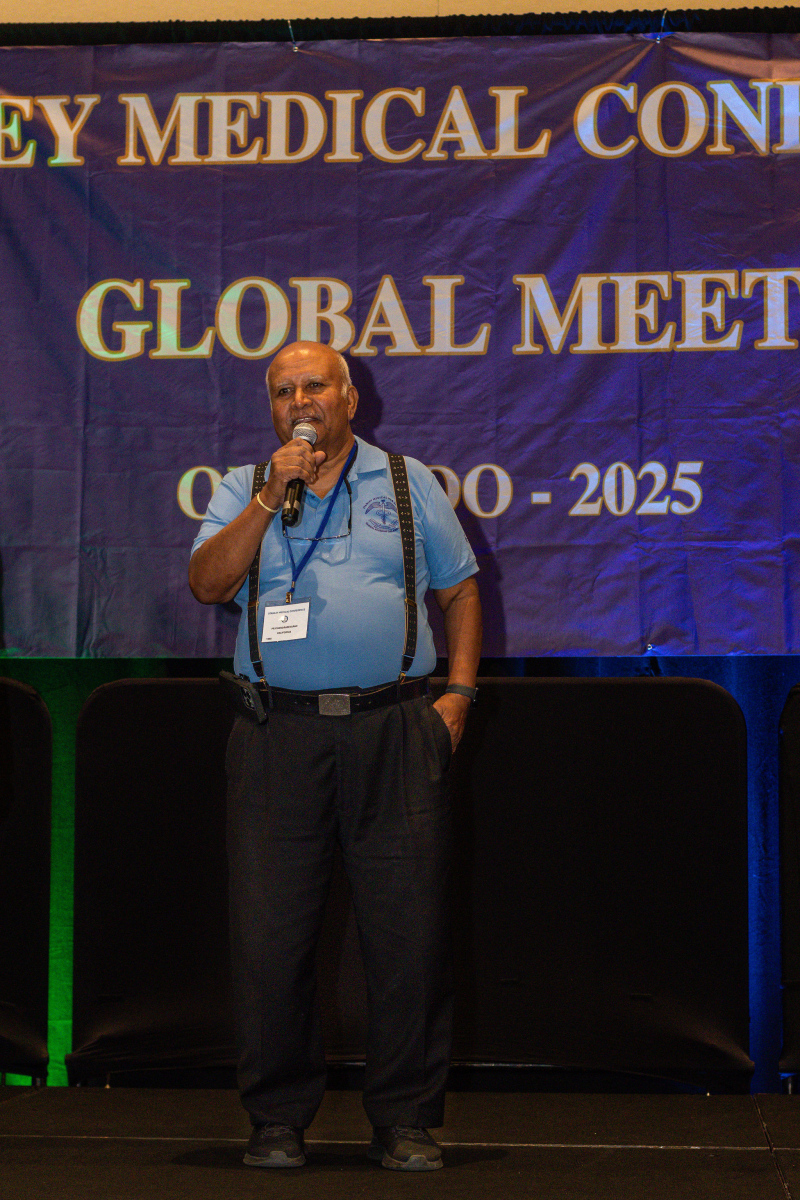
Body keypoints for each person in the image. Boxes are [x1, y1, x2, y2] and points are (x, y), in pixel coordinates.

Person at [189, 340, 482, 1172]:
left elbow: (461, 589)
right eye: (283, 390)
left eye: (314, 385)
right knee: (270, 936)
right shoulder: (244, 487)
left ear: (350, 398)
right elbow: (208, 584)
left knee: (407, 934)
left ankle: (405, 1119)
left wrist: (459, 696)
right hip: (276, 736)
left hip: (393, 729)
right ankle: (277, 1119)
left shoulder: (407, 483)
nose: (299, 401)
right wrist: (267, 498)